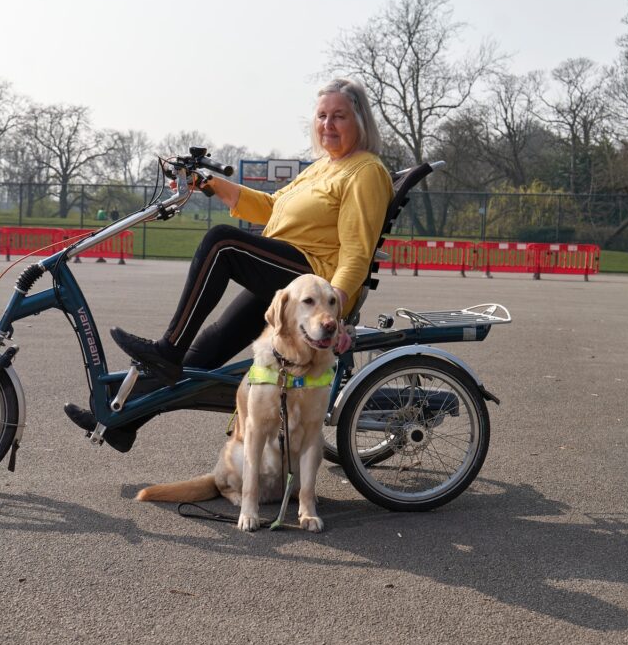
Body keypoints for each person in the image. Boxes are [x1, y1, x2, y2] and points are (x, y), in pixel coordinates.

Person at [65, 78, 393, 443]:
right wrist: (211, 184)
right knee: (210, 346)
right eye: (321, 116)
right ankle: (120, 422)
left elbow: (356, 253)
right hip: (284, 277)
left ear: (359, 121)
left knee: (222, 243)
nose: (328, 125)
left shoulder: (365, 171)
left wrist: (336, 308)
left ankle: (167, 349)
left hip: (313, 282)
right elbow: (270, 207)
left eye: (339, 117)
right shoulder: (322, 167)